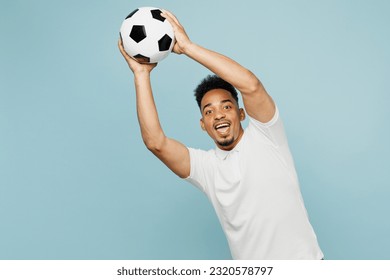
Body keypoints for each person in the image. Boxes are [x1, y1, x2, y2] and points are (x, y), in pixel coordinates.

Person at [118, 10, 324, 260]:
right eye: (209, 111)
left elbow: (251, 84)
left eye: (226, 107)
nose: (218, 115)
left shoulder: (267, 136)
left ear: (241, 114)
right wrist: (141, 75)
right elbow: (155, 142)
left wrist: (188, 48)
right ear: (203, 124)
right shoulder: (206, 168)